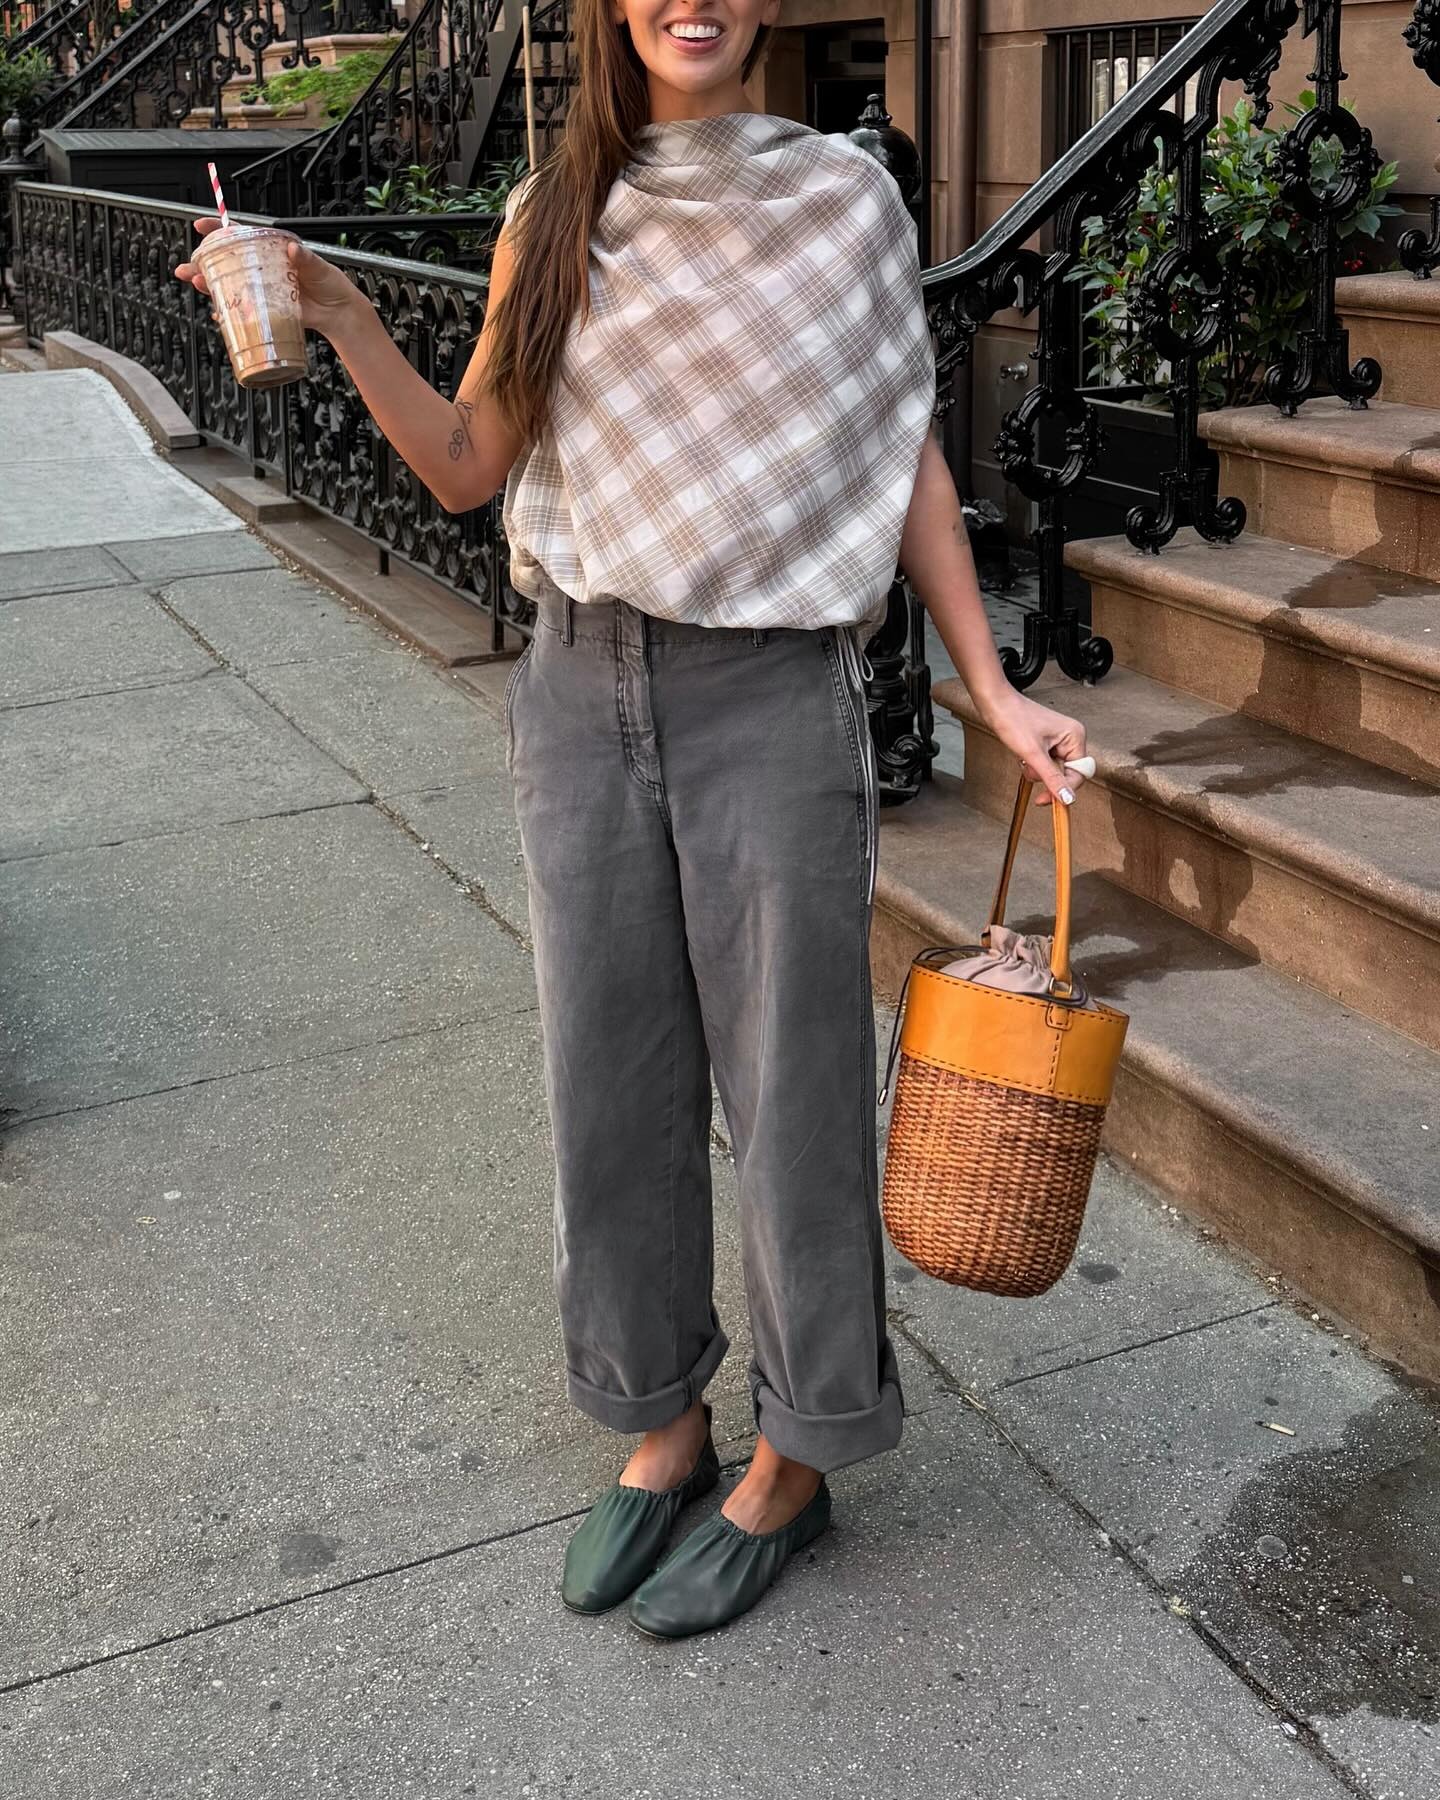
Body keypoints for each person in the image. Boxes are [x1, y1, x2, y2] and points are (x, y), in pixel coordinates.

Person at [175, 0, 1088, 1641]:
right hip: (579, 683)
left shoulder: (843, 197)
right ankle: (661, 1420)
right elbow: (468, 465)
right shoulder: (555, 209)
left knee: (794, 1088)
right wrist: (338, 308)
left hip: (772, 691)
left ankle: (799, 1457)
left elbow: (906, 463)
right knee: (608, 1075)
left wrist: (990, 692)